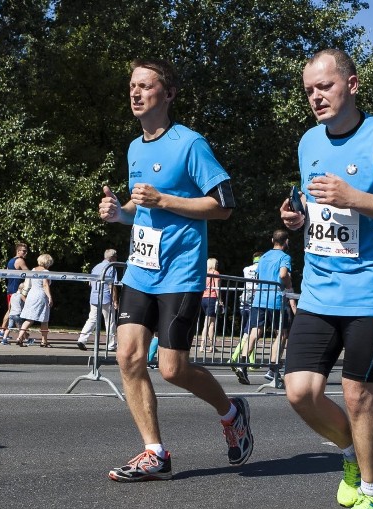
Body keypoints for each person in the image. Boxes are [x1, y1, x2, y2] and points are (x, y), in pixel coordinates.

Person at [279, 49, 373, 509]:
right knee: (300, 392)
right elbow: (319, 209)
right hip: (320, 288)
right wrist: (299, 219)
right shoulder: (308, 142)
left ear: (352, 84)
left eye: (324, 86)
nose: (315, 97)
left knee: (358, 394)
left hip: (370, 288)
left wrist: (354, 198)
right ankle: (349, 451)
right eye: (308, 90)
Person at [97, 57, 252, 482]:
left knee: (171, 368)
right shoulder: (135, 147)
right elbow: (137, 210)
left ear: (168, 94)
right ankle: (155, 453)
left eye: (146, 86)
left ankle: (231, 411)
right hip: (141, 270)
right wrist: (118, 214)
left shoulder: (190, 144)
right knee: (127, 356)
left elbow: (223, 205)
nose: (136, 92)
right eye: (132, 85)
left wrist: (165, 200)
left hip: (180, 273)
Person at [230, 230, 293, 385]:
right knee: (282, 333)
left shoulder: (263, 257)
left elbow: (258, 275)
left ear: (272, 240)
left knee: (254, 332)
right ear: (286, 242)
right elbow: (284, 274)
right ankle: (272, 369)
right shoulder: (285, 257)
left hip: (259, 299)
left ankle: (243, 364)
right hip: (276, 299)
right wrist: (289, 287)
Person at [77, 249, 119, 351]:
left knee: (92, 319)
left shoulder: (96, 267)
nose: (117, 259)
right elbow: (112, 285)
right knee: (109, 321)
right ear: (112, 258)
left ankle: (82, 339)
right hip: (106, 298)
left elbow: (90, 283)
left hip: (94, 297)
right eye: (116, 257)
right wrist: (115, 300)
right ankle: (111, 345)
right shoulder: (111, 268)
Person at [229, 252, 261, 368]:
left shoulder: (246, 269)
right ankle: (234, 358)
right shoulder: (261, 268)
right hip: (256, 302)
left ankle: (251, 362)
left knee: (249, 332)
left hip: (244, 302)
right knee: (250, 333)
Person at [14, 254, 54, 347]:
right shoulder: (46, 271)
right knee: (44, 319)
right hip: (41, 295)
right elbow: (45, 285)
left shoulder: (33, 270)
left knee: (29, 318)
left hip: (31, 295)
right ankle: (44, 341)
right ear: (48, 262)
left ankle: (19, 337)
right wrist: (50, 297)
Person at [0, 243, 30, 338]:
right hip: (15, 289)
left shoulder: (10, 261)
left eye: (26, 251)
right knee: (13, 311)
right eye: (23, 251)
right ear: (18, 251)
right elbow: (30, 274)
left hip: (10, 288)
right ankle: (5, 331)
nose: (25, 253)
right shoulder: (20, 260)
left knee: (10, 310)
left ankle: (3, 331)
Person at [197, 258, 222, 353]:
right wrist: (220, 300)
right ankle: (206, 345)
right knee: (209, 324)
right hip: (212, 298)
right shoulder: (215, 273)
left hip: (203, 298)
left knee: (208, 323)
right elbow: (216, 287)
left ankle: (208, 345)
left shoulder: (204, 273)